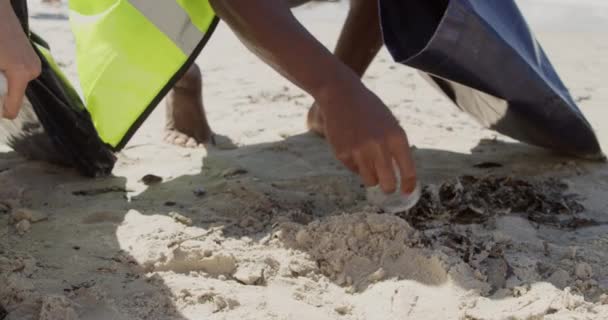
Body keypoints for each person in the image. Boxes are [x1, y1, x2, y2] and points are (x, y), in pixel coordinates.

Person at [0, 0, 417, 195]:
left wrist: (342, 89)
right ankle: (179, 74)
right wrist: (335, 88)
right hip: (143, 10)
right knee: (73, 154)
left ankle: (328, 112)